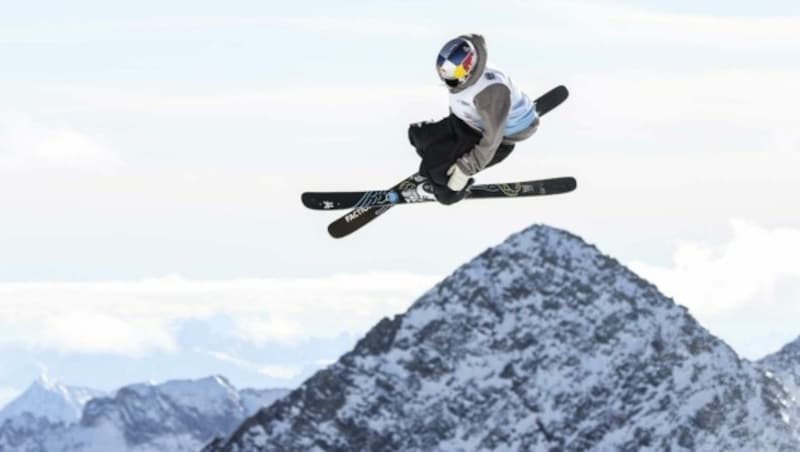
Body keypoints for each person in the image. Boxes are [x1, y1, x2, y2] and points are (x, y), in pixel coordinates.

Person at [408, 34, 540, 205]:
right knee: (418, 135)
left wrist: (465, 168)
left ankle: (448, 186)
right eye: (446, 75)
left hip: (499, 139)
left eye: (456, 75)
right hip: (468, 122)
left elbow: (493, 137)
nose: (451, 81)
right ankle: (438, 163)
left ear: (469, 66)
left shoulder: (490, 91)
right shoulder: (464, 73)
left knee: (439, 174)